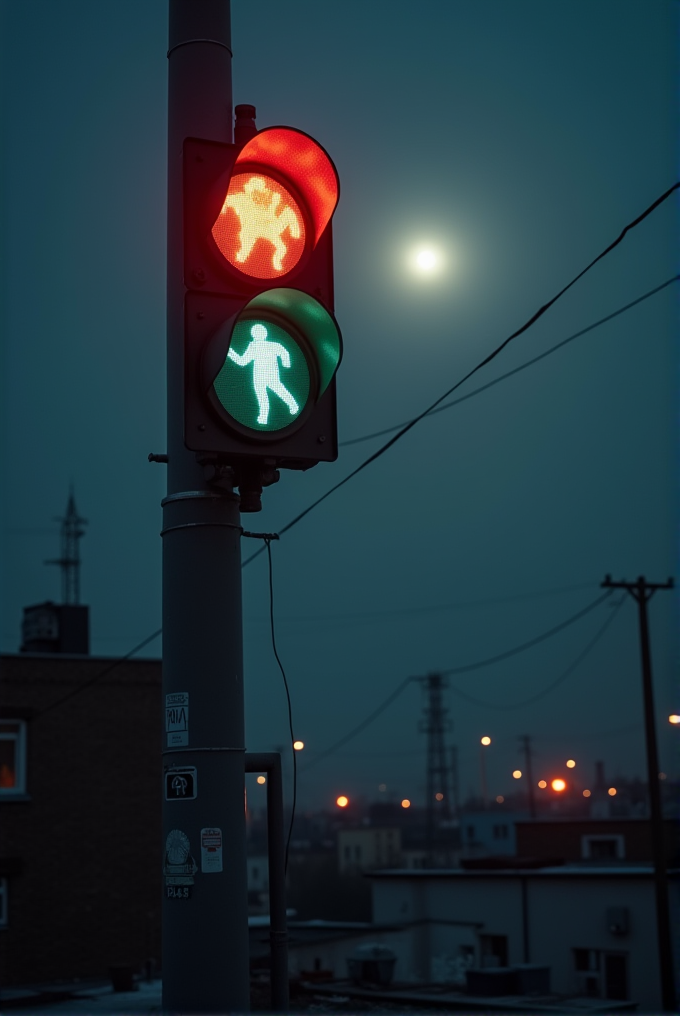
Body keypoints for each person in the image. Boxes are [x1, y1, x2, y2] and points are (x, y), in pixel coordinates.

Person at [227, 324, 299, 426]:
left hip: (260, 377)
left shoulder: (254, 346)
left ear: (253, 335)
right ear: (265, 334)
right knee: (279, 392)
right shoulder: (273, 345)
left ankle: (264, 418)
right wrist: (286, 364)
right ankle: (292, 406)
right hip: (270, 376)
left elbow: (242, 362)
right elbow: (284, 352)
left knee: (263, 398)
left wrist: (231, 353)